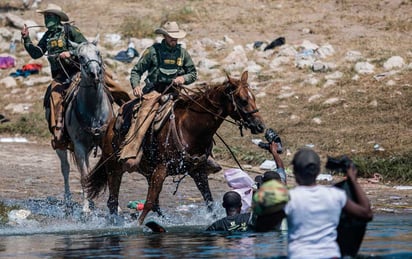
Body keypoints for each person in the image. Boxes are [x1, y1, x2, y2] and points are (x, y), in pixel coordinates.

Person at [21, 3, 130, 149]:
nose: (47, 20)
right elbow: (36, 53)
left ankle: (128, 111)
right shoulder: (47, 36)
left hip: (80, 71)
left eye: (49, 16)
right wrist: (27, 39)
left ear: (57, 18)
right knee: (54, 95)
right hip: (61, 76)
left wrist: (71, 53)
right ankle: (58, 131)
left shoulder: (70, 30)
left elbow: (86, 47)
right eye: (46, 17)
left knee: (108, 82)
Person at [121, 21, 222, 173]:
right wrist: (136, 86)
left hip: (175, 92)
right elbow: (136, 71)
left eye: (176, 38)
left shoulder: (182, 53)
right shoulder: (152, 51)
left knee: (199, 114)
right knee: (143, 115)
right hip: (154, 92)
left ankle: (205, 155)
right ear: (164, 36)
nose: (174, 40)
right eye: (171, 37)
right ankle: (133, 152)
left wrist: (183, 79)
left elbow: (192, 73)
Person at [284, 148, 373, 258]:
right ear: (317, 172)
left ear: (295, 172)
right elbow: (366, 214)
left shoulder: (289, 198)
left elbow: (264, 226)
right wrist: (353, 181)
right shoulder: (335, 195)